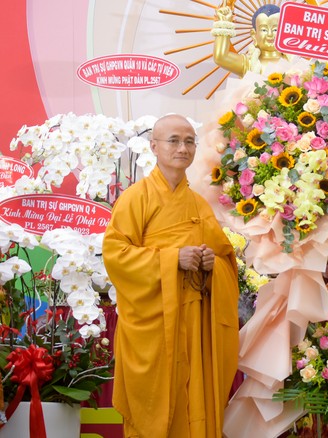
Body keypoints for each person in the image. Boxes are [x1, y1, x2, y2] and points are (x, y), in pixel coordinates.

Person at [103, 114, 239, 437]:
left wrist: (212, 266)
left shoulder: (199, 206)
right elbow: (115, 254)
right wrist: (172, 259)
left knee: (194, 404)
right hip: (154, 324)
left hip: (193, 323)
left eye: (189, 141)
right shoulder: (136, 198)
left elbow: (224, 260)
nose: (182, 148)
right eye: (174, 141)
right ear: (154, 146)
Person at [211, 2, 292, 77]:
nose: (270, 34)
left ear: (285, 32)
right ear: (254, 35)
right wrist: (224, 22)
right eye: (264, 30)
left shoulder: (294, 61)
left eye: (275, 30)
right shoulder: (249, 64)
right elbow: (221, 57)